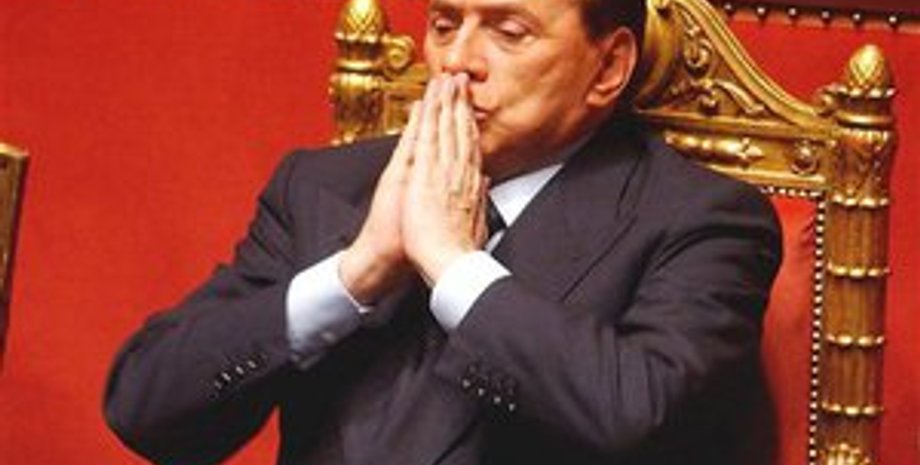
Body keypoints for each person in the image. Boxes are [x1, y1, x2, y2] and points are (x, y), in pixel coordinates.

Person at [104, 0, 781, 463]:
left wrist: (453, 266)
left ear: (606, 68)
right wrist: (353, 275)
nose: (457, 60)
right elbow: (145, 408)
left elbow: (638, 414)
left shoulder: (702, 220)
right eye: (444, 23)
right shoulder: (325, 185)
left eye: (508, 31)